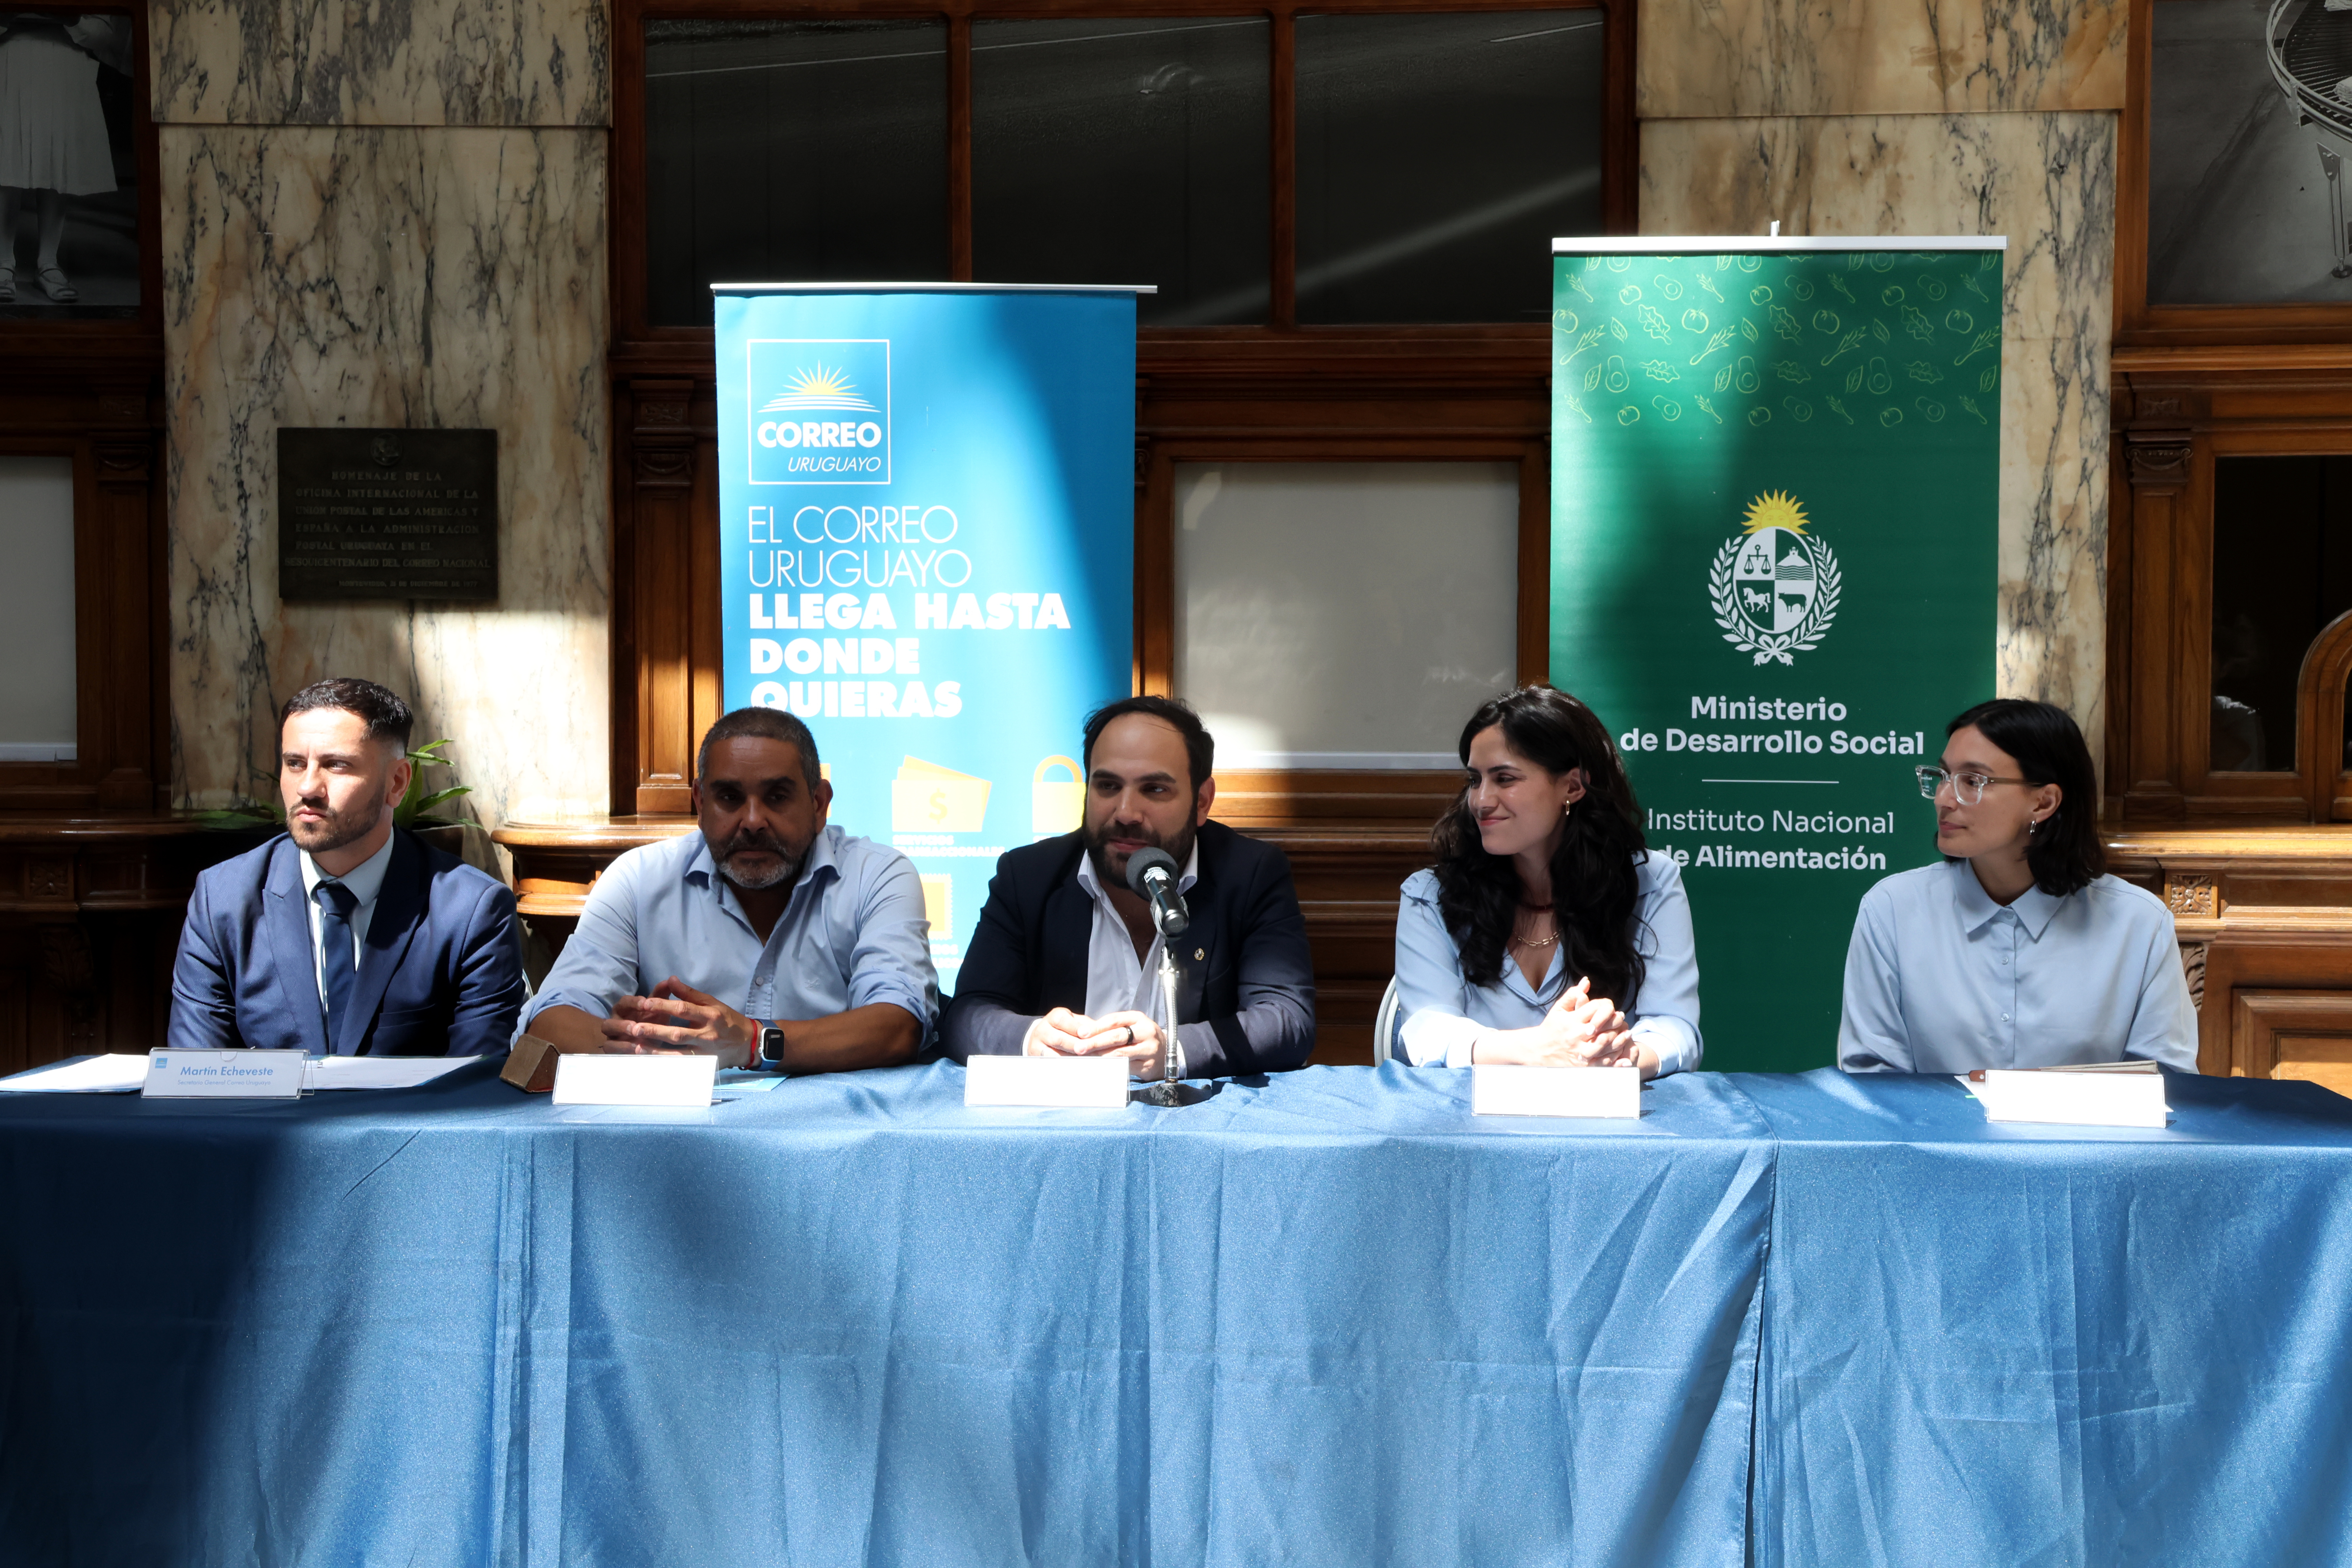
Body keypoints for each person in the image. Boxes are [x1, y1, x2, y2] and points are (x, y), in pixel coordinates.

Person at [521, 707, 936, 1071]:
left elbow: (898, 1026)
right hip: (678, 1124)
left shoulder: (876, 875)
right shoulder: (638, 880)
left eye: (777, 796)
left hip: (836, 1126)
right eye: (730, 797)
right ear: (701, 803)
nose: (753, 821)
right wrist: (662, 1053)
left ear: (818, 803)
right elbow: (550, 1023)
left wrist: (754, 1043)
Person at [942, 695, 1315, 1078]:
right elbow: (967, 1016)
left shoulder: (1250, 874)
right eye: (1107, 786)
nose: (1126, 813)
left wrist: (1173, 1050)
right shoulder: (1028, 876)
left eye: (1154, 789)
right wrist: (1031, 1039)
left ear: (1202, 801)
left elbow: (1288, 1018)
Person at [1838, 698, 2198, 1074]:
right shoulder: (1892, 910)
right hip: (1928, 1117)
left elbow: (2165, 1081)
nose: (1944, 798)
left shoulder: (2139, 923)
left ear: (2044, 802)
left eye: (1972, 781)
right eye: (1943, 776)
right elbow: (1871, 1077)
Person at [170, 678, 524, 1055]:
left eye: (336, 765)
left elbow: (474, 1082)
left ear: (397, 783)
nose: (308, 787)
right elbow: (195, 1075)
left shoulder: (471, 912)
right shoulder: (222, 900)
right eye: (295, 763)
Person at [1393, 685, 1700, 1077]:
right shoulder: (1430, 894)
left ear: (1572, 786)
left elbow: (1676, 1028)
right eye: (1475, 779)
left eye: (1505, 779)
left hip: (1605, 1108)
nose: (1481, 800)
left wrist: (1618, 1056)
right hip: (1469, 1112)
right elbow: (1426, 1031)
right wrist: (1540, 1050)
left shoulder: (1651, 881)